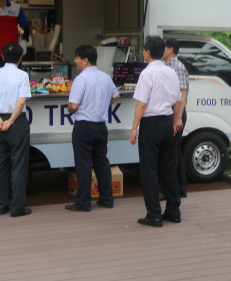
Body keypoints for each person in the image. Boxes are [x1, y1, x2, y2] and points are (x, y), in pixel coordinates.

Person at [129, 35, 182, 227]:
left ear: (148, 52)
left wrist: (134, 128)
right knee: (169, 168)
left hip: (150, 125)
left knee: (149, 170)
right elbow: (178, 101)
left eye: (143, 49)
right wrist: (175, 121)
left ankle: (154, 214)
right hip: (167, 123)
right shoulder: (171, 73)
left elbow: (142, 104)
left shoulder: (147, 74)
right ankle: (173, 211)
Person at [65, 45, 120, 212]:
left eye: (77, 58)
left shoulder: (80, 79)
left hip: (84, 126)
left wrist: (70, 109)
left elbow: (73, 106)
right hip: (100, 127)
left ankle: (83, 202)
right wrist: (103, 105)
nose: (75, 61)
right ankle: (107, 199)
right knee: (102, 162)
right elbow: (116, 95)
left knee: (83, 164)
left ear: (85, 60)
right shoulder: (106, 77)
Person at [0, 42, 32, 217]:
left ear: (2, 57)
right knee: (19, 165)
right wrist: (11, 121)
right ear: (20, 58)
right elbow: (21, 102)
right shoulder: (22, 76)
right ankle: (18, 208)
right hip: (17, 123)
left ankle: (0, 205)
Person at [159, 37, 190, 201]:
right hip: (173, 113)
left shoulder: (176, 67)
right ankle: (179, 188)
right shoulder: (168, 66)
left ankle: (167, 190)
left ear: (170, 49)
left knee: (170, 153)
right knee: (174, 151)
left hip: (176, 113)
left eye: (163, 47)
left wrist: (177, 118)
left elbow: (182, 94)